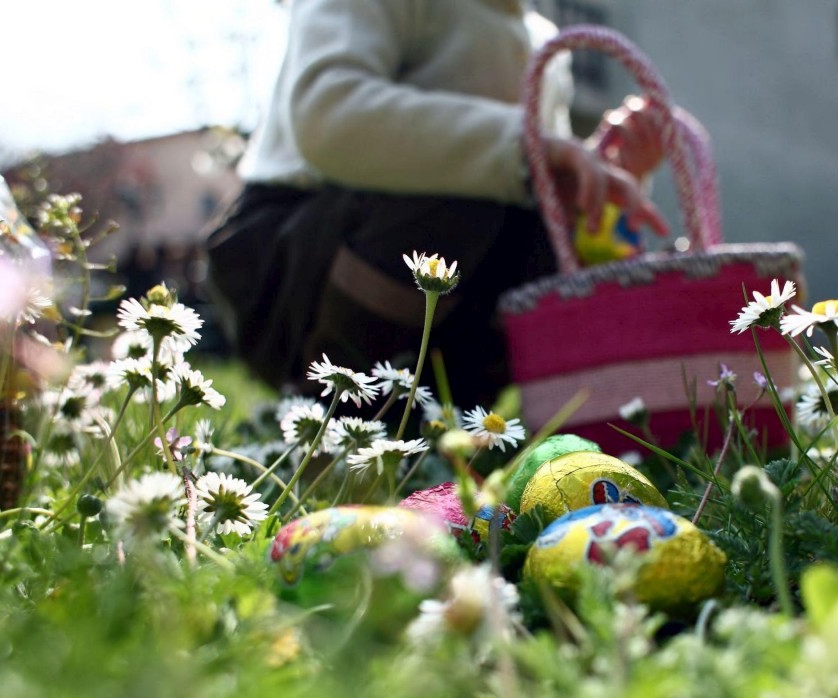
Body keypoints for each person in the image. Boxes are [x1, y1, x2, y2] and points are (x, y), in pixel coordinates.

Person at [205, 0, 668, 409]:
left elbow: (537, 188)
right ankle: (336, 413)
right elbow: (326, 112)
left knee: (525, 223)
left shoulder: (541, 39)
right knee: (464, 186)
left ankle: (439, 425)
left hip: (426, 252)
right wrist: (526, 150)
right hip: (286, 263)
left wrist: (598, 174)